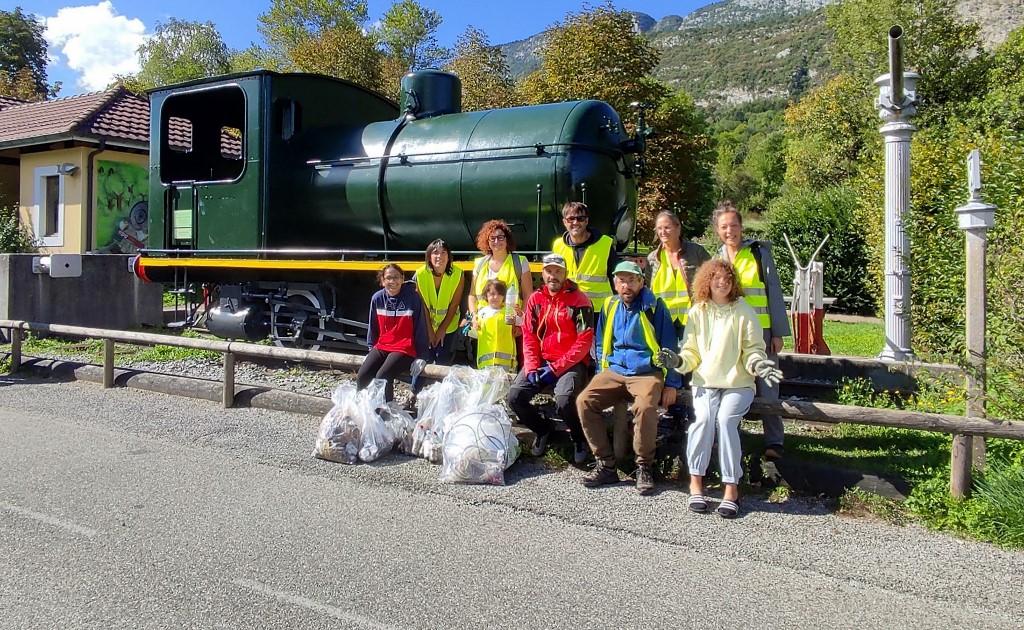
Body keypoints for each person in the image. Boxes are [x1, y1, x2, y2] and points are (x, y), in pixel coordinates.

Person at [656, 259, 783, 519]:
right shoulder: (697, 312)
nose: (722, 282)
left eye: (727, 278)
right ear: (707, 280)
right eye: (716, 277)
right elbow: (690, 352)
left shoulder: (744, 310)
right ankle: (696, 483)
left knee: (725, 421)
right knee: (702, 420)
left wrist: (759, 365)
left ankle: (731, 488)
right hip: (705, 382)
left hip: (738, 384)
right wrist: (678, 362)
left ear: (733, 281)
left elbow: (753, 350)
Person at [576, 261, 681, 495]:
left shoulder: (654, 306)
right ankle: (606, 464)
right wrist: (602, 371)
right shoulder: (610, 304)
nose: (626, 285)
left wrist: (672, 383)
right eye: (622, 280)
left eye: (632, 280)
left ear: (641, 282)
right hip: (614, 370)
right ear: (614, 283)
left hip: (646, 372)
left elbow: (669, 348)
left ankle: (644, 465)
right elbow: (603, 340)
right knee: (585, 401)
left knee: (644, 408)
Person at [713, 201, 791, 460]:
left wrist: (778, 333)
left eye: (733, 226)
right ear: (717, 230)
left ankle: (774, 441)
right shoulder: (717, 259)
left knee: (768, 384)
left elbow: (774, 293)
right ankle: (732, 437)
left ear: (741, 227)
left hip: (762, 333)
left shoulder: (759, 254)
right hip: (730, 335)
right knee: (732, 385)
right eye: (724, 227)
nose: (729, 231)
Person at [506, 253, 595, 464]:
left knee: (564, 400)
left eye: (558, 271)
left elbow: (583, 342)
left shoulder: (581, 301)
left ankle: (579, 437)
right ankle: (544, 429)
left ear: (565, 274)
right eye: (549, 271)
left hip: (571, 362)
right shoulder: (535, 300)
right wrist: (532, 365)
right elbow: (528, 335)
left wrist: (556, 368)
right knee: (514, 397)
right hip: (542, 361)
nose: (553, 276)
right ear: (542, 273)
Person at [356, 264, 429, 403]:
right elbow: (373, 326)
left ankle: (385, 411)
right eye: (388, 278)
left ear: (402, 279)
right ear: (382, 281)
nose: (393, 281)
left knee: (382, 376)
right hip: (383, 345)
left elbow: (420, 327)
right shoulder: (377, 298)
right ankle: (360, 411)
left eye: (396, 277)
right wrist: (371, 349)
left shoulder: (413, 298)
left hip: (404, 347)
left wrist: (422, 356)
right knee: (362, 377)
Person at [467, 220, 534, 367]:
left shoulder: (519, 262)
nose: (497, 241)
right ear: (487, 240)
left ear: (507, 239)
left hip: (510, 327)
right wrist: (474, 317)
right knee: (485, 365)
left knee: (510, 366)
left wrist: (521, 322)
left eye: (501, 237)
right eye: (492, 238)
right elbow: (472, 295)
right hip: (485, 328)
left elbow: (529, 295)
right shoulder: (480, 264)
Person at [647, 210, 711, 337]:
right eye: (659, 228)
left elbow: (712, 277)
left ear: (678, 228)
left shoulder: (696, 252)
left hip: (693, 317)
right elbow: (648, 288)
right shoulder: (652, 258)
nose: (663, 232)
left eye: (667, 227)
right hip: (663, 320)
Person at [412, 239, 465, 391]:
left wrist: (441, 330)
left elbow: (454, 305)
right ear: (429, 256)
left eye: (443, 253)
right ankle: (414, 393)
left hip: (448, 326)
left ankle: (442, 395)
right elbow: (422, 306)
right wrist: (429, 331)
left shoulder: (458, 274)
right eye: (435, 253)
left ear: (449, 257)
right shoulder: (420, 274)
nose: (439, 256)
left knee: (443, 360)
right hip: (426, 325)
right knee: (423, 359)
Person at [551, 201, 618, 313]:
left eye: (580, 218)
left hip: (599, 312)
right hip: (567, 310)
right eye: (571, 219)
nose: (576, 222)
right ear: (564, 222)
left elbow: (617, 281)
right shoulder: (558, 246)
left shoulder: (604, 245)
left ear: (586, 221)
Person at [472, 279, 518, 372]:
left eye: (499, 294)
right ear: (486, 295)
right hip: (486, 363)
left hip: (506, 364)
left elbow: (520, 326)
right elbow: (475, 333)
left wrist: (518, 317)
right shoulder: (481, 313)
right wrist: (471, 327)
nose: (496, 297)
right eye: (492, 294)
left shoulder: (509, 312)